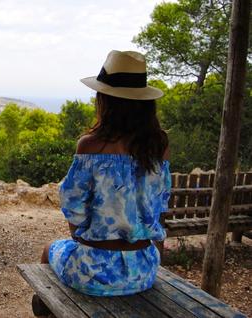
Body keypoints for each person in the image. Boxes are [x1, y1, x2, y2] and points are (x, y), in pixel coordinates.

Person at [41, 50, 171, 297]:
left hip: (93, 271)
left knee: (49, 249)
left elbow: (74, 209)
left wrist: (85, 242)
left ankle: (47, 307)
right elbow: (159, 204)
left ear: (106, 101)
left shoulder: (90, 145)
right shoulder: (160, 146)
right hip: (143, 270)